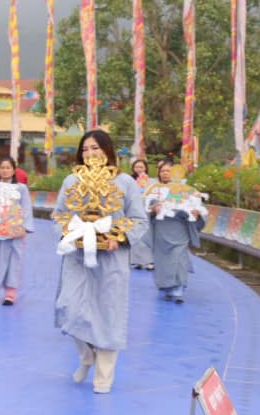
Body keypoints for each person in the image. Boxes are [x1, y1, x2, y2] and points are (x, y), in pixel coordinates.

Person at [55, 129, 147, 394]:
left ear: (107, 150)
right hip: (77, 257)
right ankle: (87, 356)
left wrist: (119, 236)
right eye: (85, 149)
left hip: (111, 260)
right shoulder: (72, 180)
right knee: (69, 308)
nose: (90, 154)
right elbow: (59, 214)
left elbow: (139, 220)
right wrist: (70, 232)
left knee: (108, 314)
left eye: (95, 148)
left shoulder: (124, 182)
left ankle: (104, 377)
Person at [149, 162, 205, 304]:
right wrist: (153, 210)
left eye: (169, 171)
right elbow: (146, 209)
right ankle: (167, 288)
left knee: (180, 259)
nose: (166, 173)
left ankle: (178, 290)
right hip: (162, 230)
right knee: (163, 261)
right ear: (159, 173)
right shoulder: (155, 191)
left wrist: (197, 214)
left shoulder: (189, 191)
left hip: (180, 229)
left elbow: (199, 209)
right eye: (163, 171)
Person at [0, 157, 34, 306]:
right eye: (2, 167)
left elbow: (26, 207)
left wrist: (25, 227)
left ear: (13, 170)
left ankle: (10, 293)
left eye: (8, 167)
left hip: (15, 231)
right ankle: (3, 284)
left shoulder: (21, 188)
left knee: (14, 259)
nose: (5, 170)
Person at [128, 158, 156, 271]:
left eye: (141, 167)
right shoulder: (129, 180)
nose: (139, 169)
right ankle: (136, 261)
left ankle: (149, 261)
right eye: (136, 167)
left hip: (147, 212)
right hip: (133, 212)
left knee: (147, 236)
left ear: (146, 168)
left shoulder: (151, 182)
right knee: (135, 236)